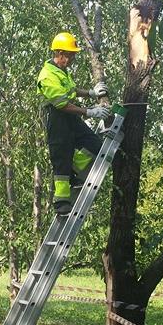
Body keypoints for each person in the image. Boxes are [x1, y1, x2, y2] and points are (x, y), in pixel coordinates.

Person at [37, 31, 111, 215]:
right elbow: (61, 104)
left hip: (70, 117)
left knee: (95, 145)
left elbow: (71, 91)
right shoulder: (47, 75)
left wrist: (91, 93)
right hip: (57, 118)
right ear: (59, 53)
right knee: (61, 159)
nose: (72, 59)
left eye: (73, 56)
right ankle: (61, 203)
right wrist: (90, 112)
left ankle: (76, 166)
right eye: (70, 56)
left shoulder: (61, 71)